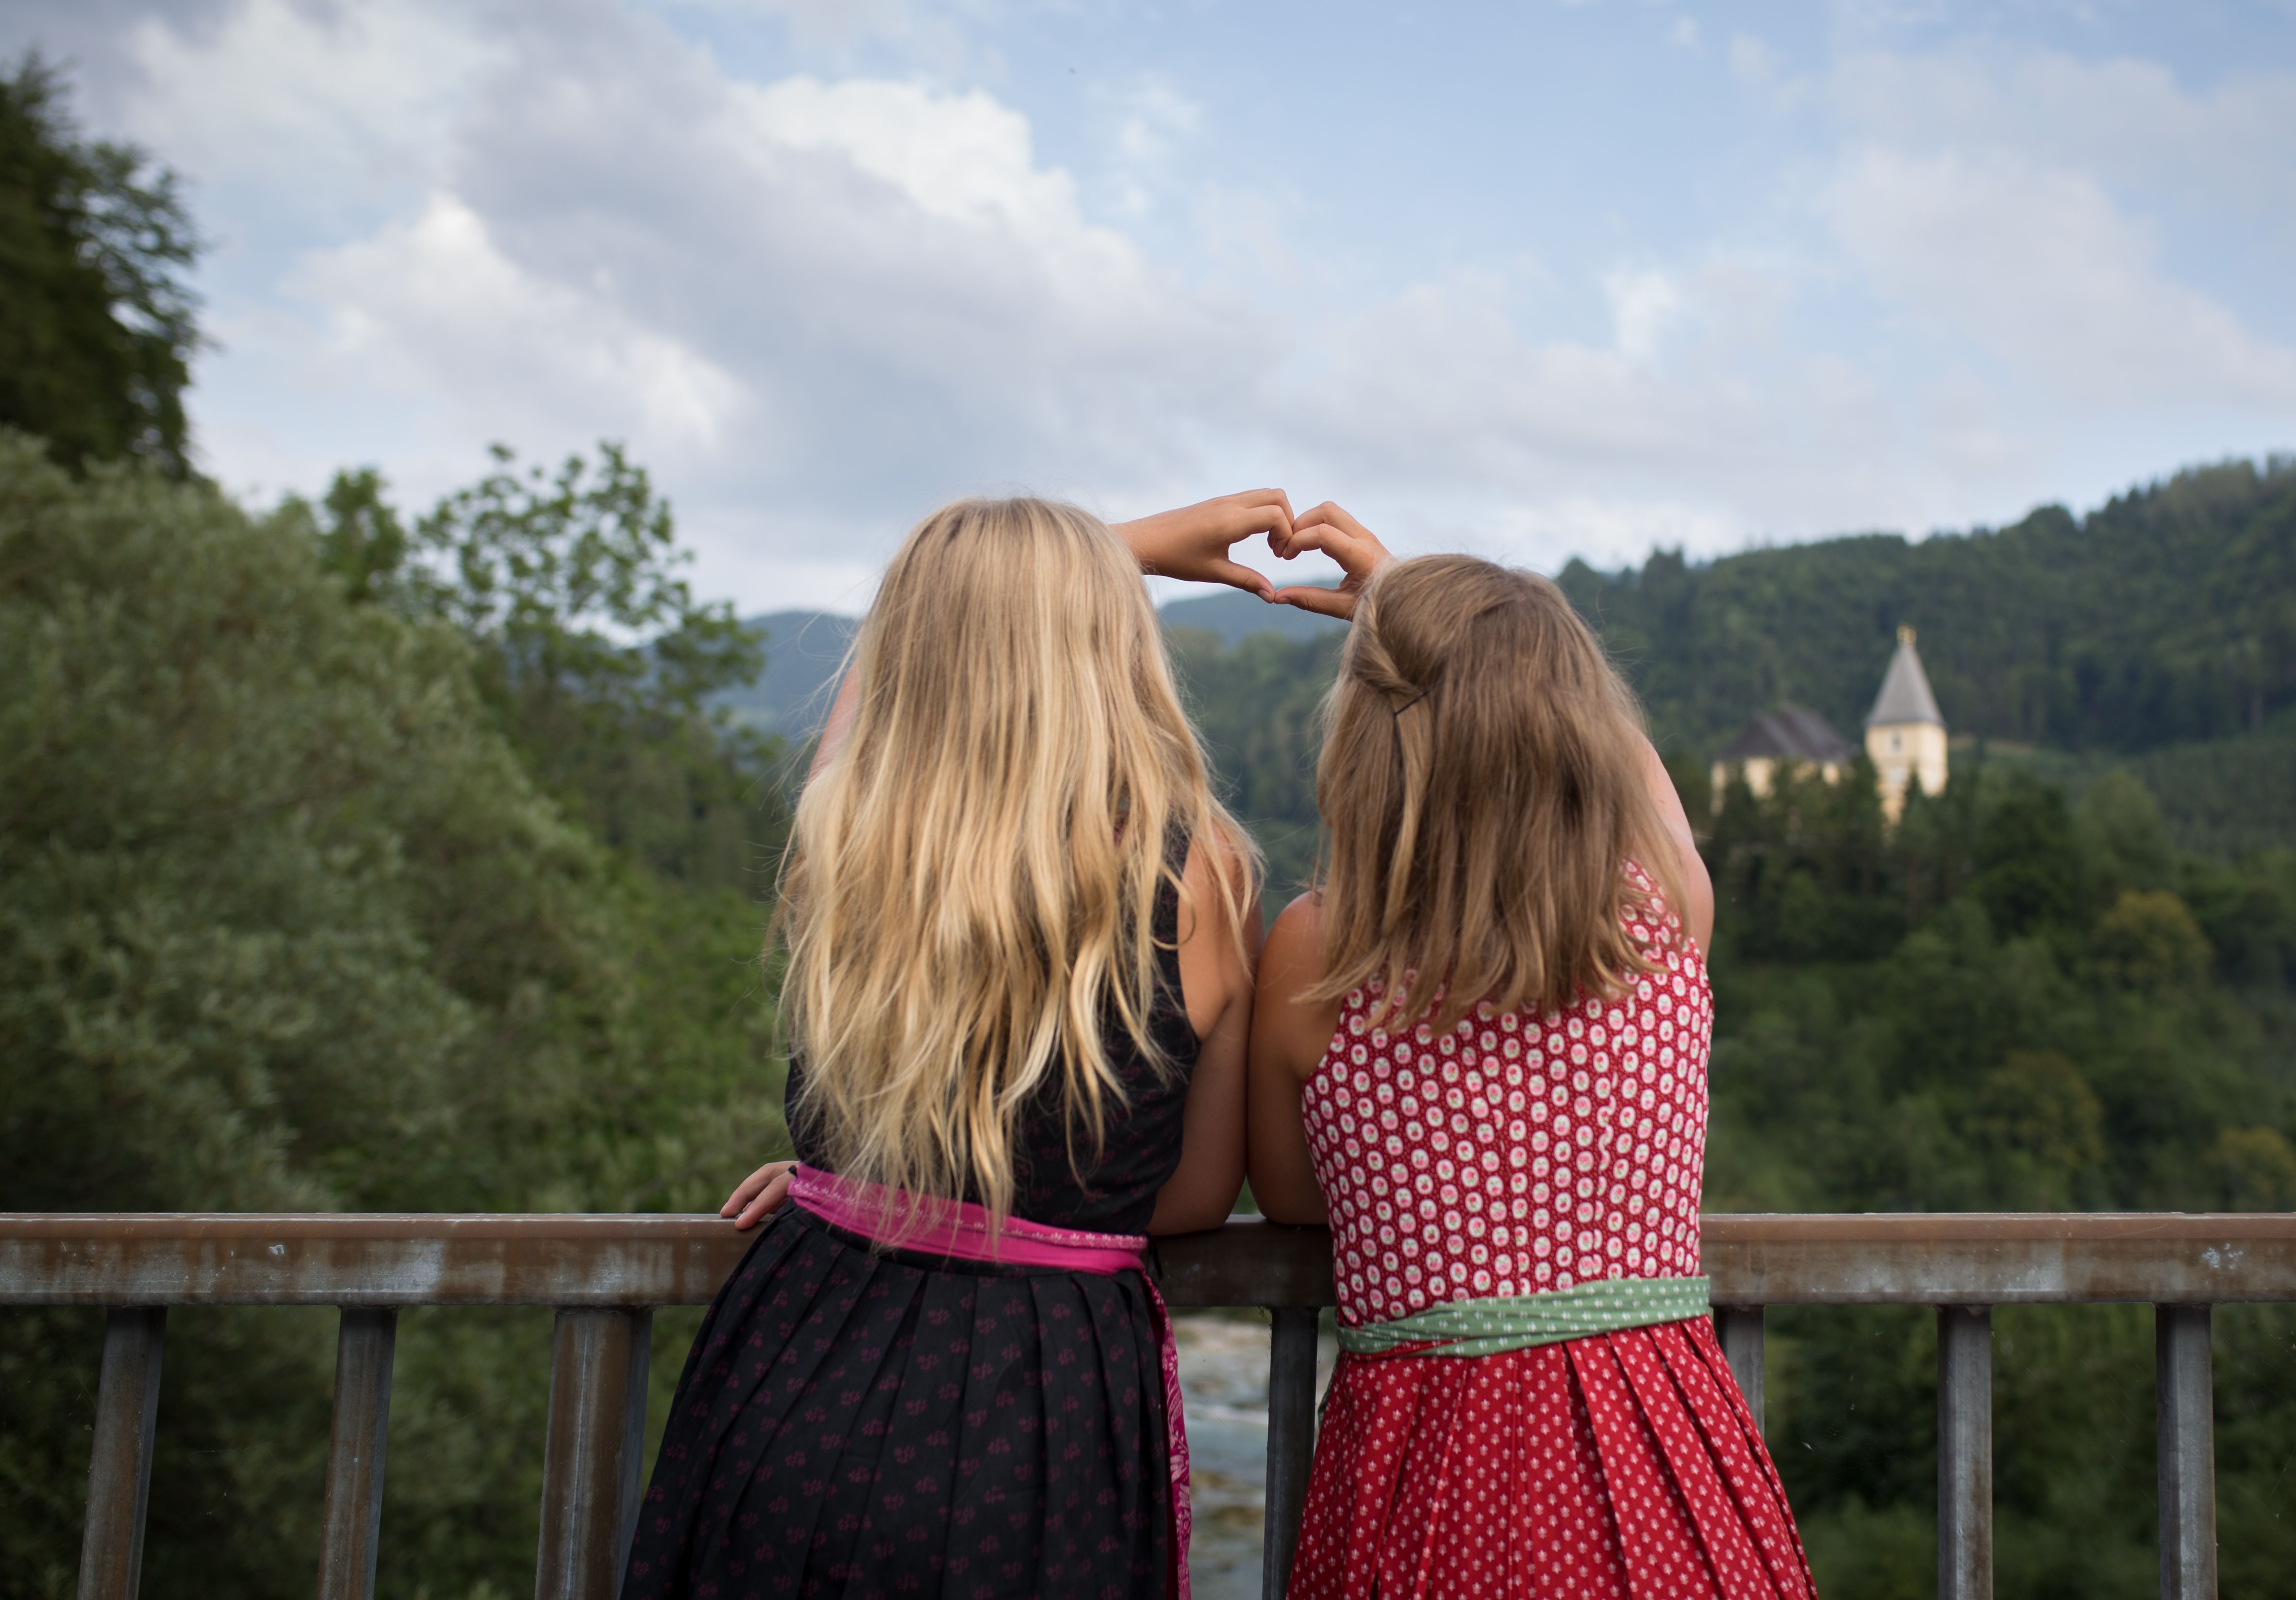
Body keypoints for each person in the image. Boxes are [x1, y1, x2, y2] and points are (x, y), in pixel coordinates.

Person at [623, 492, 1291, 1600]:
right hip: (1038, 1407)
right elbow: (1184, 1200)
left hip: (797, 1349)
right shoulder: (1204, 874)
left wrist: (880, 1179)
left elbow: (869, 704)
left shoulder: (861, 830)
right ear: (1108, 650)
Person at [1248, 507, 1817, 1599]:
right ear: (1575, 732)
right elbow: (1636, 776)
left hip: (1430, 1494)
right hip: (1677, 1481)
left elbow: (1287, 1195)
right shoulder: (1663, 907)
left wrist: (1404, 621)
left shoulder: (1323, 949)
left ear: (1374, 740)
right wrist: (1431, 608)